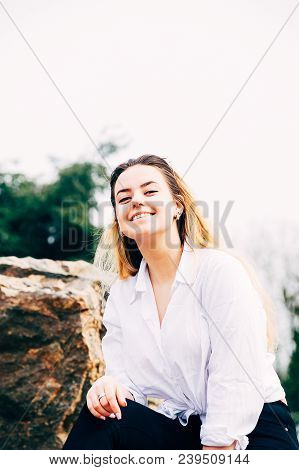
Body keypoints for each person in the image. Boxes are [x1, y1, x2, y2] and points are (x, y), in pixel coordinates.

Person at [62, 154, 299, 450]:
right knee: (105, 415)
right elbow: (126, 383)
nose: (136, 200)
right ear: (121, 224)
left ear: (176, 207)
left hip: (253, 431)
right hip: (188, 430)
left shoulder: (218, 272)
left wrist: (216, 446)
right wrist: (109, 388)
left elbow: (237, 374)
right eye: (123, 198)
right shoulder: (123, 295)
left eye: (150, 192)